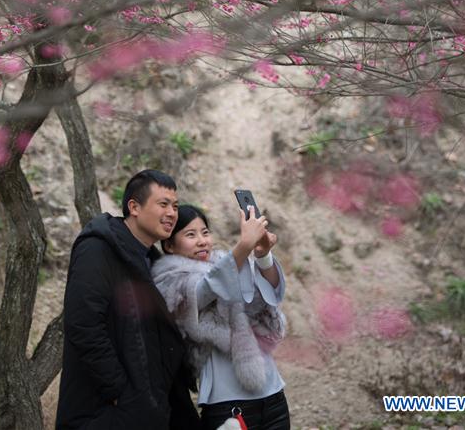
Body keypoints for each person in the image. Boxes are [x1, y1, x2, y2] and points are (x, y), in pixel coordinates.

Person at [55, 169, 200, 430]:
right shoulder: (98, 249)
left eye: (175, 206)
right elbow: (83, 324)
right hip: (109, 412)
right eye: (163, 204)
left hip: (147, 410)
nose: (172, 213)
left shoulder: (152, 262)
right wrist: (121, 392)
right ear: (134, 206)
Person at [152, 202, 290, 430]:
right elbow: (205, 290)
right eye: (190, 234)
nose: (202, 240)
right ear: (170, 246)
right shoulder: (169, 281)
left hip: (274, 396)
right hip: (229, 406)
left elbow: (266, 300)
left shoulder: (229, 265)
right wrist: (244, 246)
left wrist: (263, 256)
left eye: (205, 232)